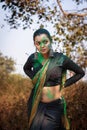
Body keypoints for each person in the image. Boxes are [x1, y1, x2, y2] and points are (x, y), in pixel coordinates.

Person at [23, 28, 85, 130]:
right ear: (34, 44)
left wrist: (64, 84)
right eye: (38, 43)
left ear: (50, 41)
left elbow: (80, 73)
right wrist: (35, 79)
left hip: (54, 106)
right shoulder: (33, 58)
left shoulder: (60, 58)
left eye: (45, 42)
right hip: (37, 104)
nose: (42, 46)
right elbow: (26, 69)